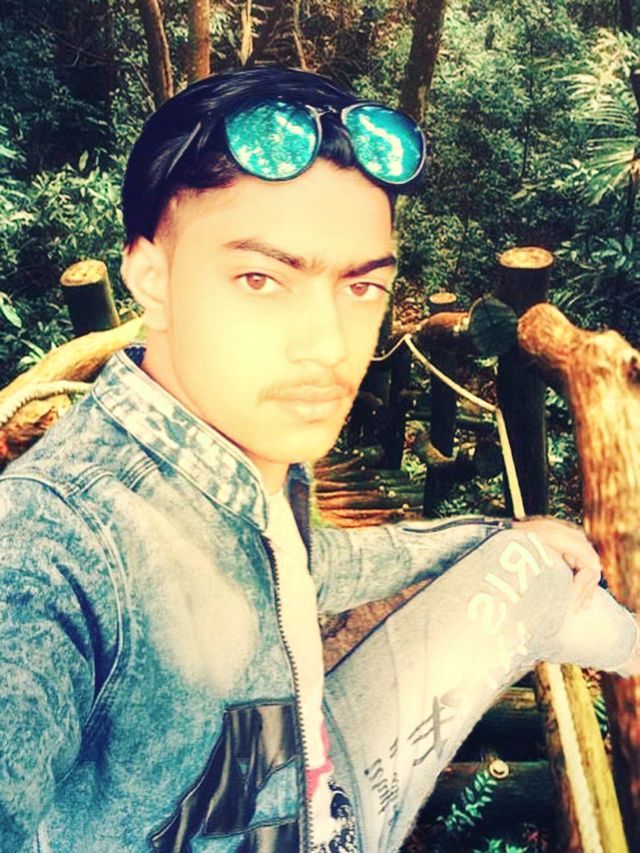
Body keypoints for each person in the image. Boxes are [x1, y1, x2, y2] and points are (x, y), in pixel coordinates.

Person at [0, 66, 638, 853]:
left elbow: (310, 564)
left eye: (360, 288)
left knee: (532, 566)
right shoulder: (49, 542)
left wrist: (492, 534)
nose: (330, 347)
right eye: (261, 278)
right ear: (150, 279)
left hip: (310, 793)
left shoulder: (248, 456)